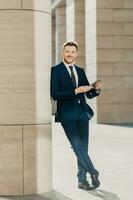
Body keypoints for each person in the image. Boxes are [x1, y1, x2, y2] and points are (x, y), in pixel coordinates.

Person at [50, 41, 102, 190]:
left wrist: (95, 89)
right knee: (77, 146)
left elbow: (88, 93)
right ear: (63, 52)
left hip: (82, 114)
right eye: (67, 51)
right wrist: (75, 91)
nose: (70, 54)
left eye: (73, 51)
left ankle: (82, 180)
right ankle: (93, 171)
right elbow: (55, 95)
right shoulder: (56, 70)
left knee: (83, 148)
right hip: (67, 115)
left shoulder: (80, 70)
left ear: (76, 54)